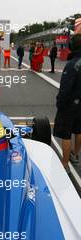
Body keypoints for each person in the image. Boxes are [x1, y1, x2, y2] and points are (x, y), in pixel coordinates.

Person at [53, 34, 81, 174]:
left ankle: (64, 164)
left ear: (71, 46)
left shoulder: (72, 65)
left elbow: (65, 88)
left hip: (71, 104)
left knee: (66, 133)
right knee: (79, 129)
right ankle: (75, 155)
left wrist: (60, 103)